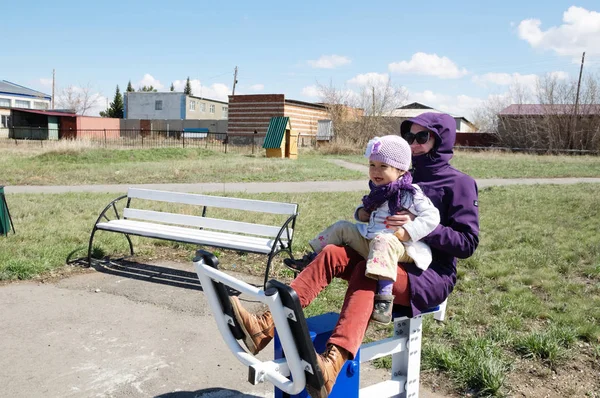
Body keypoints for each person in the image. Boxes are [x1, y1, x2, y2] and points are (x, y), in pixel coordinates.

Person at [229, 112, 479, 398]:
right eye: (409, 136)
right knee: (334, 253)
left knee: (365, 272)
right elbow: (372, 214)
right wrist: (366, 212)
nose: (413, 143)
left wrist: (417, 229)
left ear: (441, 139)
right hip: (383, 253)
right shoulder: (398, 173)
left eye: (422, 137)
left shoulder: (459, 183)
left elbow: (468, 242)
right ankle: (264, 326)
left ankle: (332, 365)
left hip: (427, 275)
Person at [284, 135, 440, 324]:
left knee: (383, 241)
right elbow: (364, 211)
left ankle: (384, 298)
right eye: (372, 165)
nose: (376, 171)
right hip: (372, 240)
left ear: (400, 170)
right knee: (342, 227)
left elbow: (432, 217)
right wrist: (362, 214)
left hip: (400, 245)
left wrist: (409, 231)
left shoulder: (411, 194)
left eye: (383, 166)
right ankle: (312, 258)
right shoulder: (378, 190)